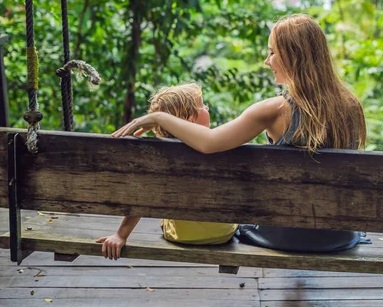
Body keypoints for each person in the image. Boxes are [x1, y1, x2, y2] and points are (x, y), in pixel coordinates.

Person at [112, 14, 368, 253]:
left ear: (293, 56)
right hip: (338, 235)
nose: (267, 61)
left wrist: (158, 117)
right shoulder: (351, 105)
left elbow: (209, 143)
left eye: (272, 52)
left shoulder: (275, 110)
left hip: (285, 235)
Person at [96, 83, 238, 260]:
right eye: (202, 105)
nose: (207, 107)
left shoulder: (161, 157)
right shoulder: (221, 145)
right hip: (223, 233)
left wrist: (121, 235)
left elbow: (144, 197)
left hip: (181, 235)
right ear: (192, 118)